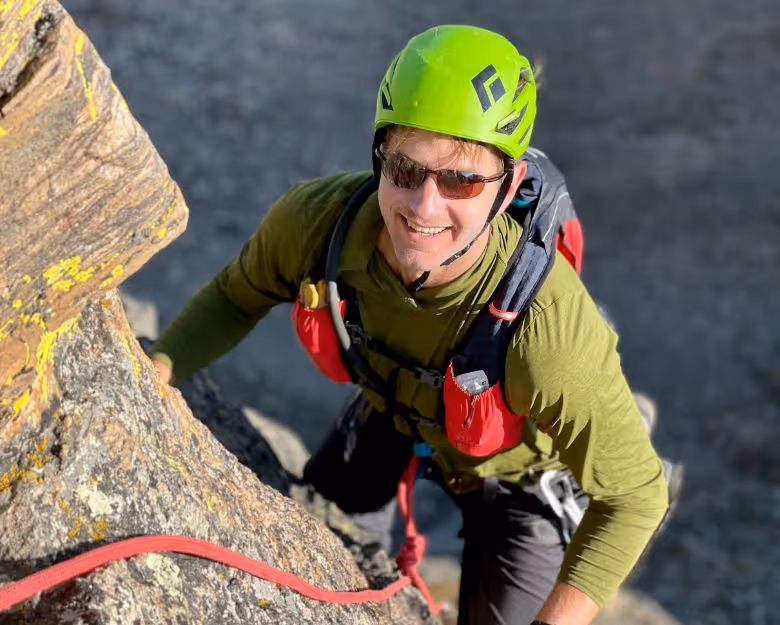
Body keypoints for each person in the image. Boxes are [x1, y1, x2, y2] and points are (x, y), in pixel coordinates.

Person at [150, 25, 677, 625]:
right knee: (308, 542)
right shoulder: (318, 225)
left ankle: (616, 412)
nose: (424, 207)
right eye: (405, 170)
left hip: (518, 471)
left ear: (505, 190)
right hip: (394, 408)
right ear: (379, 157)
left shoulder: (545, 325)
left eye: (461, 180)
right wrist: (155, 370)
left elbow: (635, 497)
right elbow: (233, 297)